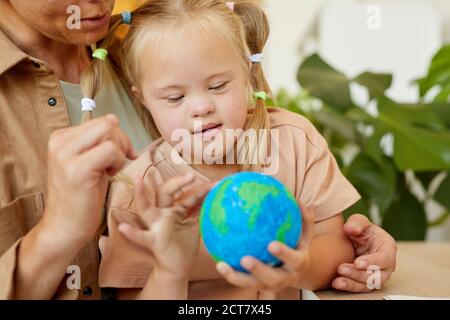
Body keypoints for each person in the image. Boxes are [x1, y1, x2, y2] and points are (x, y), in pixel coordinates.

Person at [0, 0, 396, 300]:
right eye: (173, 96)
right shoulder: (139, 185)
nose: (201, 106)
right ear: (145, 98)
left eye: (218, 87)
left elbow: (330, 241)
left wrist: (341, 254)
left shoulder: (161, 33)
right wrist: (170, 264)